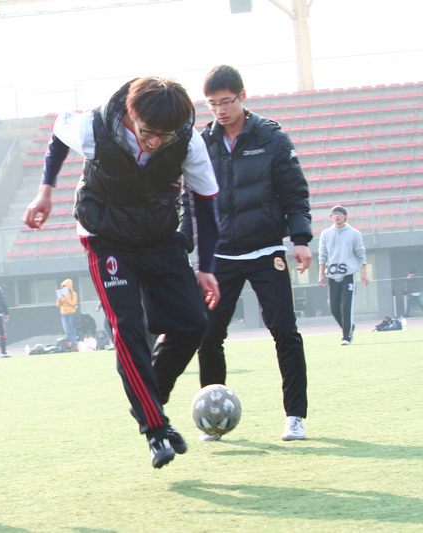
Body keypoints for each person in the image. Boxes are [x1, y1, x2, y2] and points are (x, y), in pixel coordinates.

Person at [23, 76, 221, 469]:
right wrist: (45, 190)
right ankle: (155, 429)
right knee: (128, 327)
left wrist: (206, 268)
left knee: (194, 322)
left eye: (164, 136)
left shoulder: (188, 140)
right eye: (147, 133)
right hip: (106, 236)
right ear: (131, 115)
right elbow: (57, 131)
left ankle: (149, 400)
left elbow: (206, 201)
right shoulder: (94, 127)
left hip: (159, 234)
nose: (155, 143)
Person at [188, 65, 312, 442]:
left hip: (266, 251)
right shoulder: (201, 143)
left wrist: (300, 238)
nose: (220, 110)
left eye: (226, 101)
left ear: (243, 96)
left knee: (285, 332)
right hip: (220, 256)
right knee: (209, 335)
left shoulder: (272, 138)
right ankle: (213, 417)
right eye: (212, 104)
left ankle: (295, 417)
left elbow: (295, 192)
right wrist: (184, 245)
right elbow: (189, 201)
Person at [317, 206, 369, 345]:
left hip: (348, 275)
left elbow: (360, 252)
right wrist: (321, 274)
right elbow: (323, 254)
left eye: (339, 213)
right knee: (334, 308)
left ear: (345, 216)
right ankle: (349, 327)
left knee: (346, 306)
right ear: (331, 217)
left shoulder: (354, 233)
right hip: (333, 275)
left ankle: (346, 336)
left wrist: (364, 273)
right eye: (333, 214)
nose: (337, 216)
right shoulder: (326, 234)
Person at [56, 279, 79, 351]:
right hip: (64, 314)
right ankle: (74, 344)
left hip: (71, 314)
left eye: (65, 286)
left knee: (72, 329)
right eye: (63, 286)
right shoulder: (62, 295)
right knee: (67, 330)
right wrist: (59, 298)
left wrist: (65, 299)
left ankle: (73, 345)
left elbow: (73, 304)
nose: (64, 288)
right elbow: (58, 305)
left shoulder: (73, 294)